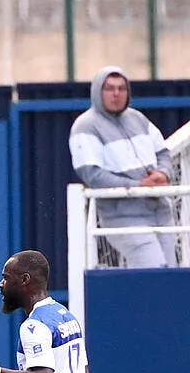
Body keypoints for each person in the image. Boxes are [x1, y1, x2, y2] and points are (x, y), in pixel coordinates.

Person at [69, 66, 178, 268]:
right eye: (110, 88)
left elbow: (163, 152)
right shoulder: (85, 126)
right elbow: (92, 174)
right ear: (97, 92)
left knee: (169, 274)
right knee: (155, 272)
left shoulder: (138, 118)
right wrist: (138, 185)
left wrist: (163, 173)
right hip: (124, 218)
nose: (116, 94)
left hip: (161, 211)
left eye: (122, 88)